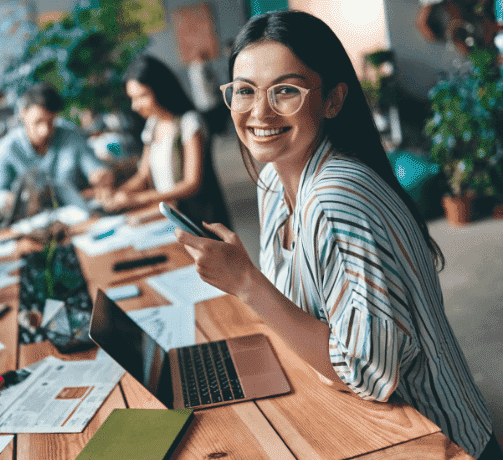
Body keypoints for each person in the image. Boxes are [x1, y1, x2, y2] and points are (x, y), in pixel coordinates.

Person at [175, 11, 501, 460]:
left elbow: (365, 373)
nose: (259, 111)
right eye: (245, 91)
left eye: (285, 90)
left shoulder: (337, 196)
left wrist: (247, 284)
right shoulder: (273, 180)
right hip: (358, 419)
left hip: (432, 441)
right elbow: (306, 321)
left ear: (332, 100)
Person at [101, 55, 231, 229]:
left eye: (141, 96)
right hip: (172, 217)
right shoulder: (152, 125)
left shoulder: (189, 123)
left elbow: (192, 183)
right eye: (132, 98)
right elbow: (143, 175)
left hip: (201, 220)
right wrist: (118, 194)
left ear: (161, 89)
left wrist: (139, 198)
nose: (135, 106)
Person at [0, 82, 113, 212]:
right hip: (30, 220)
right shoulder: (7, 147)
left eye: (50, 122)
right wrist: (12, 200)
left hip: (75, 215)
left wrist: (101, 177)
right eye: (38, 121)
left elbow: (95, 169)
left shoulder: (70, 135)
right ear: (23, 114)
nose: (45, 130)